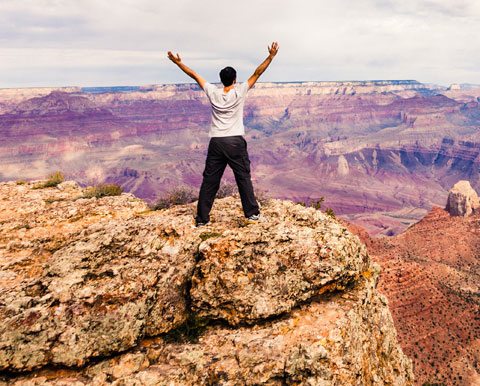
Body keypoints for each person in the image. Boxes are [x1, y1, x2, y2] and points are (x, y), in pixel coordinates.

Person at [167, 42, 279, 226]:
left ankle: (202, 219)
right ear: (235, 80)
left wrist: (177, 63)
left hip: (217, 142)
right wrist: (271, 56)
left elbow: (194, 74)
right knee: (243, 177)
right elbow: (258, 73)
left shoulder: (213, 92)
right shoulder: (240, 91)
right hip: (235, 141)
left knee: (210, 180)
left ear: (221, 80)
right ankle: (251, 214)